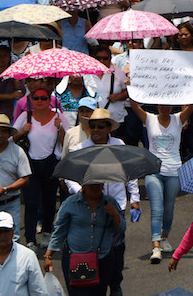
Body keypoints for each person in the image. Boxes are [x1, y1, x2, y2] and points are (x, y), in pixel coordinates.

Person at [64, 108, 139, 296]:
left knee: (117, 248)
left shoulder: (119, 145)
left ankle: (115, 283)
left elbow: (130, 173)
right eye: (93, 126)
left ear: (108, 129)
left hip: (116, 205)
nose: (96, 130)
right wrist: (79, 189)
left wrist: (135, 198)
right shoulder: (81, 149)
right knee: (95, 249)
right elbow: (69, 176)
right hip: (90, 207)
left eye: (100, 126)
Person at [129, 100, 193, 264]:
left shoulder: (179, 119)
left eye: (168, 105)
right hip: (153, 171)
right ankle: (156, 246)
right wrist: (131, 85)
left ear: (172, 106)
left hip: (174, 171)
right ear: (157, 105)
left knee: (169, 208)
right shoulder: (149, 119)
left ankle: (164, 237)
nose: (165, 107)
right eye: (162, 104)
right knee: (156, 209)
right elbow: (134, 106)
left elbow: (192, 105)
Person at [12, 86, 68, 250]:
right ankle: (30, 239)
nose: (40, 101)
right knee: (31, 203)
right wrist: (22, 131)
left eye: (44, 98)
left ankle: (46, 232)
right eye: (36, 98)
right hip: (30, 165)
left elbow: (67, 144)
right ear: (31, 100)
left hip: (51, 164)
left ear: (50, 100)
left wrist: (60, 128)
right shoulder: (25, 116)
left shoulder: (59, 117)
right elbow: (11, 138)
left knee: (50, 201)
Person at [44, 183, 125, 296]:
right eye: (91, 184)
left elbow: (121, 229)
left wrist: (115, 214)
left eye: (98, 184)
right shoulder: (70, 203)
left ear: (102, 185)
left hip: (103, 259)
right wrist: (48, 255)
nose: (94, 187)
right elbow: (59, 231)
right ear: (83, 185)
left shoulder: (110, 202)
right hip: (75, 259)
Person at [0, 115, 30, 243]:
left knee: (13, 239)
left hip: (11, 202)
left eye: (3, 131)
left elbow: (25, 179)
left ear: (9, 134)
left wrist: (6, 189)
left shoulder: (17, 151)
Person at [0, 211, 46, 295]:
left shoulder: (28, 256)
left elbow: (38, 291)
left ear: (13, 231)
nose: (2, 235)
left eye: (6, 231)